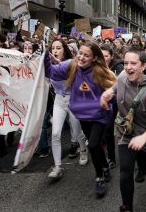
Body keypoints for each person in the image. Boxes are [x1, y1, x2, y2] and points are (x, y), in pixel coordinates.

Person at [100, 46, 146, 212]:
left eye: (133, 64)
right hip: (126, 133)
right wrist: (108, 93)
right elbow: (118, 85)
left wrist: (144, 137)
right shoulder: (123, 76)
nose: (128, 67)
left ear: (143, 66)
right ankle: (127, 206)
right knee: (125, 171)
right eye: (125, 63)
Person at [44, 40, 116, 197]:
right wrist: (44, 55)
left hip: (99, 115)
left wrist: (108, 96)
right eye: (80, 53)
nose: (81, 58)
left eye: (86, 55)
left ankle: (99, 178)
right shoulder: (72, 65)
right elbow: (50, 72)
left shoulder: (100, 71)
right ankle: (104, 166)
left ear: (95, 58)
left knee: (94, 145)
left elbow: (117, 87)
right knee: (95, 146)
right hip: (82, 115)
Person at [46, 39, 89, 178]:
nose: (55, 50)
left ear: (65, 49)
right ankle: (57, 166)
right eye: (53, 48)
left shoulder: (72, 63)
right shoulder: (48, 64)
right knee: (55, 133)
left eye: (59, 48)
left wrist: (56, 63)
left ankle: (83, 150)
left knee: (77, 132)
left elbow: (63, 69)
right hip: (59, 100)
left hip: (73, 100)